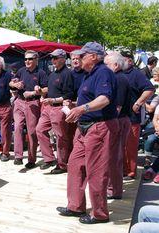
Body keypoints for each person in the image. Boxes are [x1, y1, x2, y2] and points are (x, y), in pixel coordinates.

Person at [57, 42, 119, 224]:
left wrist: (82, 109)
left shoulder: (103, 72)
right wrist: (74, 107)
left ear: (94, 56)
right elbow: (90, 98)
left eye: (82, 55)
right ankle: (75, 206)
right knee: (75, 165)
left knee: (96, 171)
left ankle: (100, 214)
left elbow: (104, 98)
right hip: (84, 128)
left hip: (99, 127)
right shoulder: (89, 75)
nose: (78, 59)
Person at [36, 49, 74, 174]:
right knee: (39, 129)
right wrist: (40, 92)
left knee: (60, 136)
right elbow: (48, 89)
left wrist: (53, 100)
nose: (53, 60)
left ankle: (62, 165)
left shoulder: (67, 73)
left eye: (55, 58)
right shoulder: (53, 73)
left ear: (63, 58)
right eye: (52, 58)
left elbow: (69, 93)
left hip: (58, 107)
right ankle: (50, 158)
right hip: (48, 107)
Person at [9, 50, 48, 168]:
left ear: (36, 60)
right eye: (25, 59)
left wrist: (34, 92)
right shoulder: (21, 71)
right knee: (17, 127)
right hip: (19, 102)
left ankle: (31, 159)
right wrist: (15, 85)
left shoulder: (41, 73)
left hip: (33, 103)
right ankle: (18, 156)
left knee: (32, 132)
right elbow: (11, 82)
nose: (27, 61)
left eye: (30, 59)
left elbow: (46, 88)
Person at [122, 51, 154, 180]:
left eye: (123, 59)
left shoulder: (136, 74)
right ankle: (123, 170)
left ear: (130, 60)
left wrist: (139, 102)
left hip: (132, 116)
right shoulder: (117, 73)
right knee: (121, 146)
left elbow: (150, 88)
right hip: (119, 116)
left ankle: (130, 171)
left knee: (130, 145)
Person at [104, 51, 131, 199]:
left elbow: (117, 107)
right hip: (118, 120)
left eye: (106, 64)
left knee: (114, 157)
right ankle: (112, 188)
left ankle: (114, 190)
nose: (104, 67)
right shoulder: (119, 77)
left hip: (118, 121)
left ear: (115, 65)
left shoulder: (119, 79)